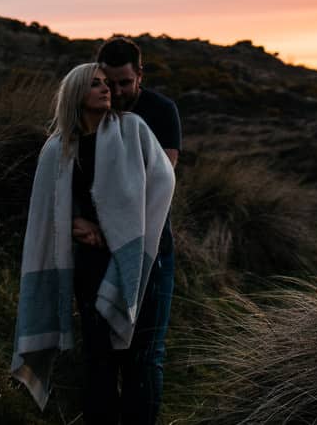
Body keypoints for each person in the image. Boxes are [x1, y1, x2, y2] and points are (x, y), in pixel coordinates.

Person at [11, 63, 175, 423]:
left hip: (140, 259)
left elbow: (162, 182)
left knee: (141, 359)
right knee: (99, 358)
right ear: (76, 94)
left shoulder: (133, 130)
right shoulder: (58, 148)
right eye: (95, 84)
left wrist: (110, 224)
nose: (106, 90)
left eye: (107, 84)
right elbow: (47, 207)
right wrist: (72, 222)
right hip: (92, 265)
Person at [95, 36, 181, 425]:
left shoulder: (161, 111)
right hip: (96, 248)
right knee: (102, 350)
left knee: (145, 352)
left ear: (139, 76)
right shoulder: (92, 108)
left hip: (152, 243)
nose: (116, 92)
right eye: (108, 83)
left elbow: (161, 178)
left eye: (124, 83)